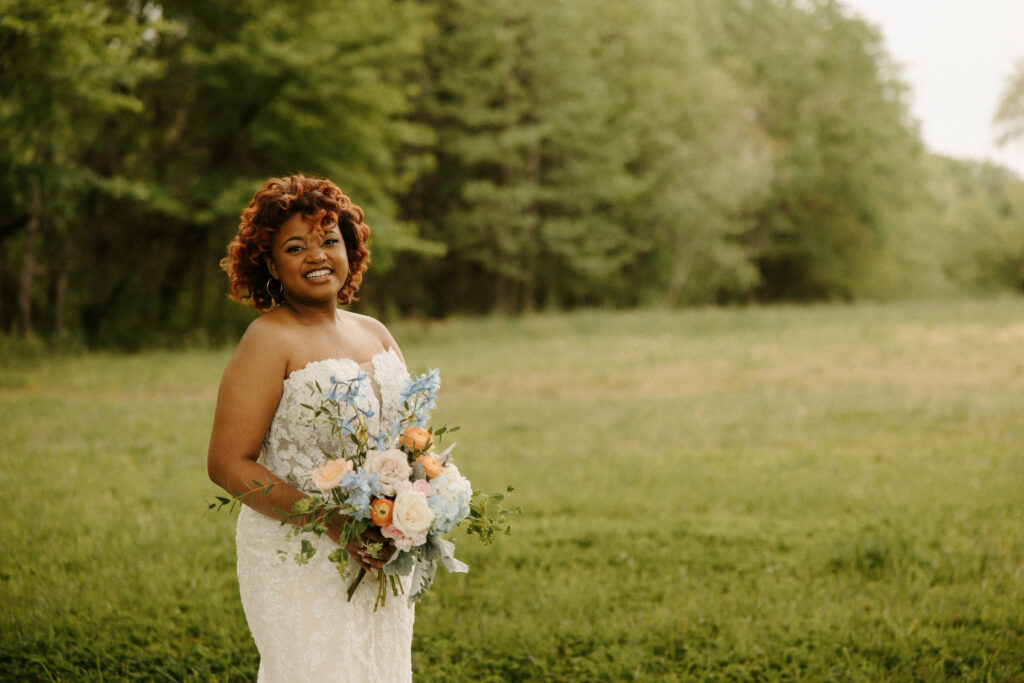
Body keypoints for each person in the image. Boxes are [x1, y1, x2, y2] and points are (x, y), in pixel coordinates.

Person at [208, 175, 414, 682]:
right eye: (295, 246)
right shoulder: (268, 338)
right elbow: (227, 463)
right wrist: (335, 525)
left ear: (349, 249)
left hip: (378, 551)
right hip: (298, 554)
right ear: (270, 262)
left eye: (329, 240)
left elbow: (409, 441)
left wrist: (408, 509)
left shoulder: (375, 332)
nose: (317, 255)